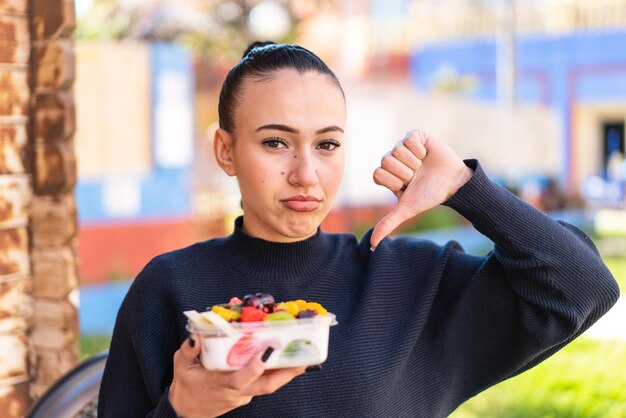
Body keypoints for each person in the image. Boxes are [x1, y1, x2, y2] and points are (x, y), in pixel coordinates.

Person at [98, 42, 619, 418]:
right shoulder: (169, 288)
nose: (306, 173)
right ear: (226, 151)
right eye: (276, 143)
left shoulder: (409, 280)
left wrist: (466, 187)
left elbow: (584, 286)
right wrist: (180, 411)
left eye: (326, 145)